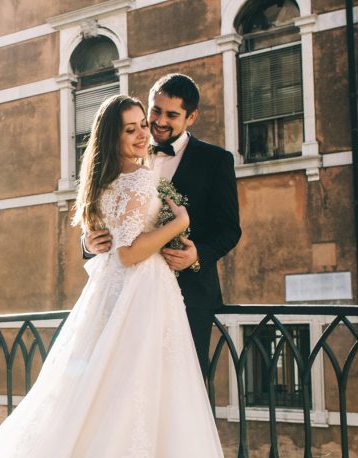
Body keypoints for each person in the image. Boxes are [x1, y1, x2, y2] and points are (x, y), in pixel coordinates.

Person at [0, 95, 232, 458]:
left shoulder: (127, 176)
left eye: (146, 123)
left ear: (188, 116)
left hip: (139, 292)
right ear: (114, 136)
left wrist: (191, 248)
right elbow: (127, 249)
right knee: (132, 389)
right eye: (134, 126)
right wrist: (179, 223)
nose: (145, 131)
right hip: (140, 292)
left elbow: (224, 227)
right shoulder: (138, 177)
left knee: (118, 392)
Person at [84, 73, 241, 378]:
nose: (159, 122)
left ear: (191, 116)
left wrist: (198, 255)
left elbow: (230, 229)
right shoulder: (126, 153)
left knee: (182, 388)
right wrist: (88, 243)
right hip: (127, 294)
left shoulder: (216, 161)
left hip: (190, 295)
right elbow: (109, 215)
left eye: (172, 115)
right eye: (155, 111)